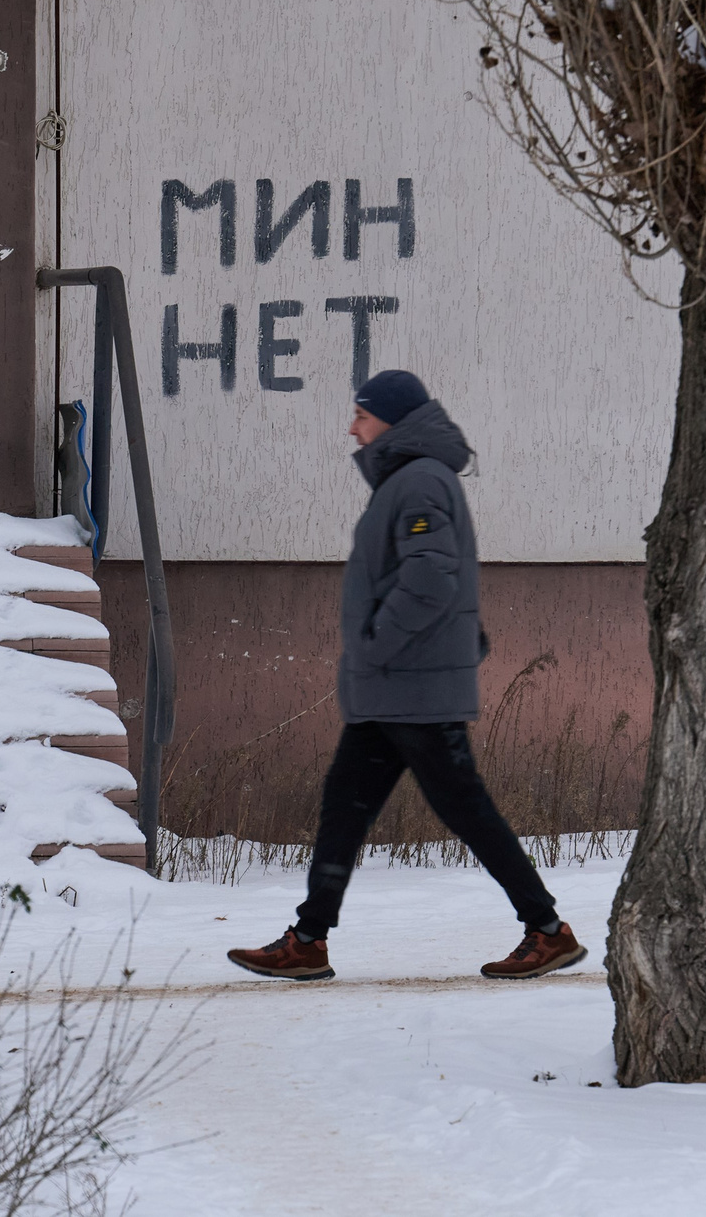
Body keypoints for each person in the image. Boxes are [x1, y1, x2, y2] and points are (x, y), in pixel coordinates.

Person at [226, 370, 587, 982]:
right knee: (345, 806)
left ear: (392, 420)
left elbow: (430, 577)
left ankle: (548, 931)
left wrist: (376, 641)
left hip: (410, 685)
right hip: (391, 687)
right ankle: (309, 940)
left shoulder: (419, 480)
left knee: (465, 810)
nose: (352, 427)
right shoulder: (408, 480)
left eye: (362, 416)